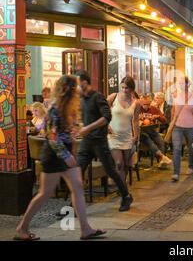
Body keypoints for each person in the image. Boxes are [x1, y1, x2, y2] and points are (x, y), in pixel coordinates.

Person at [15, 75, 106, 241]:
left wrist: (74, 130)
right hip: (54, 156)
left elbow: (63, 131)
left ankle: (85, 229)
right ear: (68, 90)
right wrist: (66, 156)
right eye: (75, 88)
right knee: (44, 193)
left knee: (77, 188)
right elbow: (52, 136)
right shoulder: (55, 108)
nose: (78, 91)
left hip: (65, 154)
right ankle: (22, 227)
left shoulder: (66, 107)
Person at [76, 71, 133, 212]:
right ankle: (73, 206)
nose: (77, 87)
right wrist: (77, 125)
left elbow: (107, 117)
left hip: (99, 142)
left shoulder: (98, 97)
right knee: (77, 172)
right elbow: (83, 118)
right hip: (86, 141)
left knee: (111, 170)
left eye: (78, 84)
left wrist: (88, 128)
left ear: (84, 82)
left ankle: (126, 196)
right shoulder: (82, 99)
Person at [107, 76, 141, 187]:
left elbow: (135, 121)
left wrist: (136, 136)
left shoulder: (136, 103)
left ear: (132, 89)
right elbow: (102, 111)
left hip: (127, 136)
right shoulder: (113, 97)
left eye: (126, 88)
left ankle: (122, 187)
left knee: (126, 165)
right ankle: (123, 189)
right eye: (122, 87)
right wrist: (106, 125)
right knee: (119, 163)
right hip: (113, 136)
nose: (124, 90)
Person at [169, 76, 193, 182]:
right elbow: (173, 112)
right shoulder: (175, 96)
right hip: (177, 126)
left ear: (188, 84)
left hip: (190, 127)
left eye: (183, 83)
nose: (181, 85)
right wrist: (171, 124)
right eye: (179, 83)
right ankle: (176, 173)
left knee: (191, 148)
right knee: (177, 148)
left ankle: (191, 166)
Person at [138, 93, 172, 167]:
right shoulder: (137, 109)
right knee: (149, 141)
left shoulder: (154, 109)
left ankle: (162, 162)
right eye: (144, 104)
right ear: (141, 102)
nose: (146, 106)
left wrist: (158, 117)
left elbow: (164, 120)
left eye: (148, 104)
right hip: (141, 132)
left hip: (151, 130)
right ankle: (162, 158)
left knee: (160, 142)